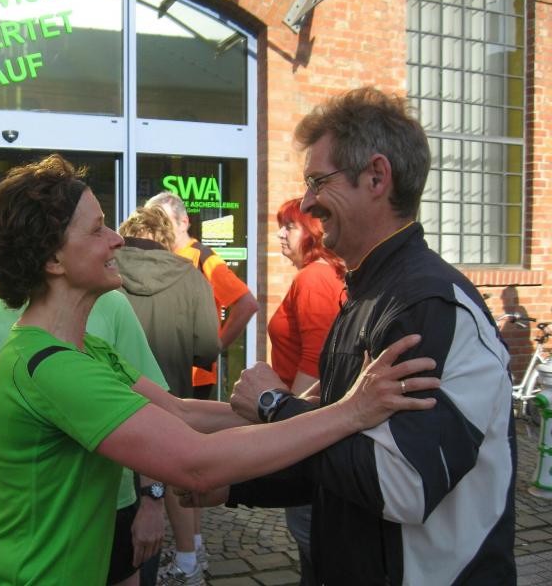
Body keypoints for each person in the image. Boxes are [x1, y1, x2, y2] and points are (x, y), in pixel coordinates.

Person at [0, 153, 438, 585]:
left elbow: (180, 412)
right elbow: (196, 464)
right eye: (96, 230)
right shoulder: (51, 368)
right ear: (53, 259)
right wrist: (351, 413)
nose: (116, 239)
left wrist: (294, 407)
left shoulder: (84, 349)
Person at [202, 87, 517, 585]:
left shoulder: (427, 305)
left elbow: (400, 484)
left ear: (376, 177)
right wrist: (236, 485)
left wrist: (274, 406)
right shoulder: (367, 292)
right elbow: (336, 454)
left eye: (317, 182)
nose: (307, 202)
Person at [0, 290, 171, 586]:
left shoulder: (113, 305)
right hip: (29, 519)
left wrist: (152, 500)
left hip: (112, 507)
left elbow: (153, 410)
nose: (113, 260)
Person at [146, 191, 259, 569]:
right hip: (174, 371)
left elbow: (246, 303)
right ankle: (193, 548)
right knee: (181, 465)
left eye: (164, 221)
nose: (159, 229)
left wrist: (217, 347)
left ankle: (189, 557)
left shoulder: (202, 258)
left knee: (176, 464)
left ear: (183, 222)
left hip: (192, 376)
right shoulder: (165, 257)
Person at [116, 206, 219, 585]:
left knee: (119, 488)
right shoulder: (190, 276)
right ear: (165, 238)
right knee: (174, 476)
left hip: (114, 401)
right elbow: (207, 348)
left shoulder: (104, 274)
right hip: (172, 397)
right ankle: (189, 559)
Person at [267, 197, 345, 585]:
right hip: (316, 424)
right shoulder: (323, 274)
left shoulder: (313, 278)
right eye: (281, 226)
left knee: (315, 547)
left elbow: (315, 363)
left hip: (308, 429)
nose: (281, 234)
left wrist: (285, 420)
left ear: (312, 232)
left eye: (290, 226)